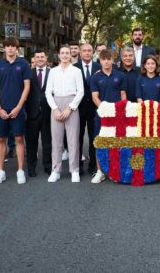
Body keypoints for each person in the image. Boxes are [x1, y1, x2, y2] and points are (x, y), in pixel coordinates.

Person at [0, 37, 31, 184]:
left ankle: (20, 170)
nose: (10, 49)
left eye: (12, 46)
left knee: (19, 139)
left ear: (16, 48)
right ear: (4, 48)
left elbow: (27, 87)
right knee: (1, 139)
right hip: (2, 109)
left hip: (18, 109)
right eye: (7, 46)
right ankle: (0, 171)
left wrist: (19, 107)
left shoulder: (24, 64)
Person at [46, 45, 84, 183]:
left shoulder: (76, 71)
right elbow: (47, 91)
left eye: (67, 53)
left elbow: (80, 91)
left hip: (71, 103)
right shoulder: (53, 71)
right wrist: (55, 108)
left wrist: (70, 108)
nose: (65, 55)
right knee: (56, 141)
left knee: (73, 140)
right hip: (56, 104)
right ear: (58, 55)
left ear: (71, 55)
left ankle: (74, 170)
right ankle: (56, 170)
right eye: (62, 53)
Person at [90, 49, 126, 183]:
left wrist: (119, 111)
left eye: (108, 59)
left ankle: (114, 171)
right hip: (102, 115)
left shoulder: (120, 76)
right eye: (103, 59)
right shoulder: (95, 77)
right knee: (100, 142)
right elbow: (95, 97)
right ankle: (100, 171)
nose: (106, 61)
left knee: (116, 143)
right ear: (100, 61)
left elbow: (123, 95)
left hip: (117, 115)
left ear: (112, 60)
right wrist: (105, 110)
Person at [75, 43, 101, 175]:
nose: (86, 53)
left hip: (94, 109)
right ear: (80, 52)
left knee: (93, 137)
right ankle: (78, 166)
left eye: (89, 51)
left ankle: (93, 166)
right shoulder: (74, 68)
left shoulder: (99, 67)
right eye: (84, 50)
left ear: (93, 52)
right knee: (77, 138)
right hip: (78, 109)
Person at [26, 49, 52, 177]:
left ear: (46, 58)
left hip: (48, 112)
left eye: (42, 57)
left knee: (47, 142)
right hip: (32, 113)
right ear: (34, 59)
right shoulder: (28, 73)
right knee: (31, 142)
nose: (40, 59)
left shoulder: (52, 73)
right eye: (37, 57)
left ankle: (48, 166)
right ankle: (31, 167)